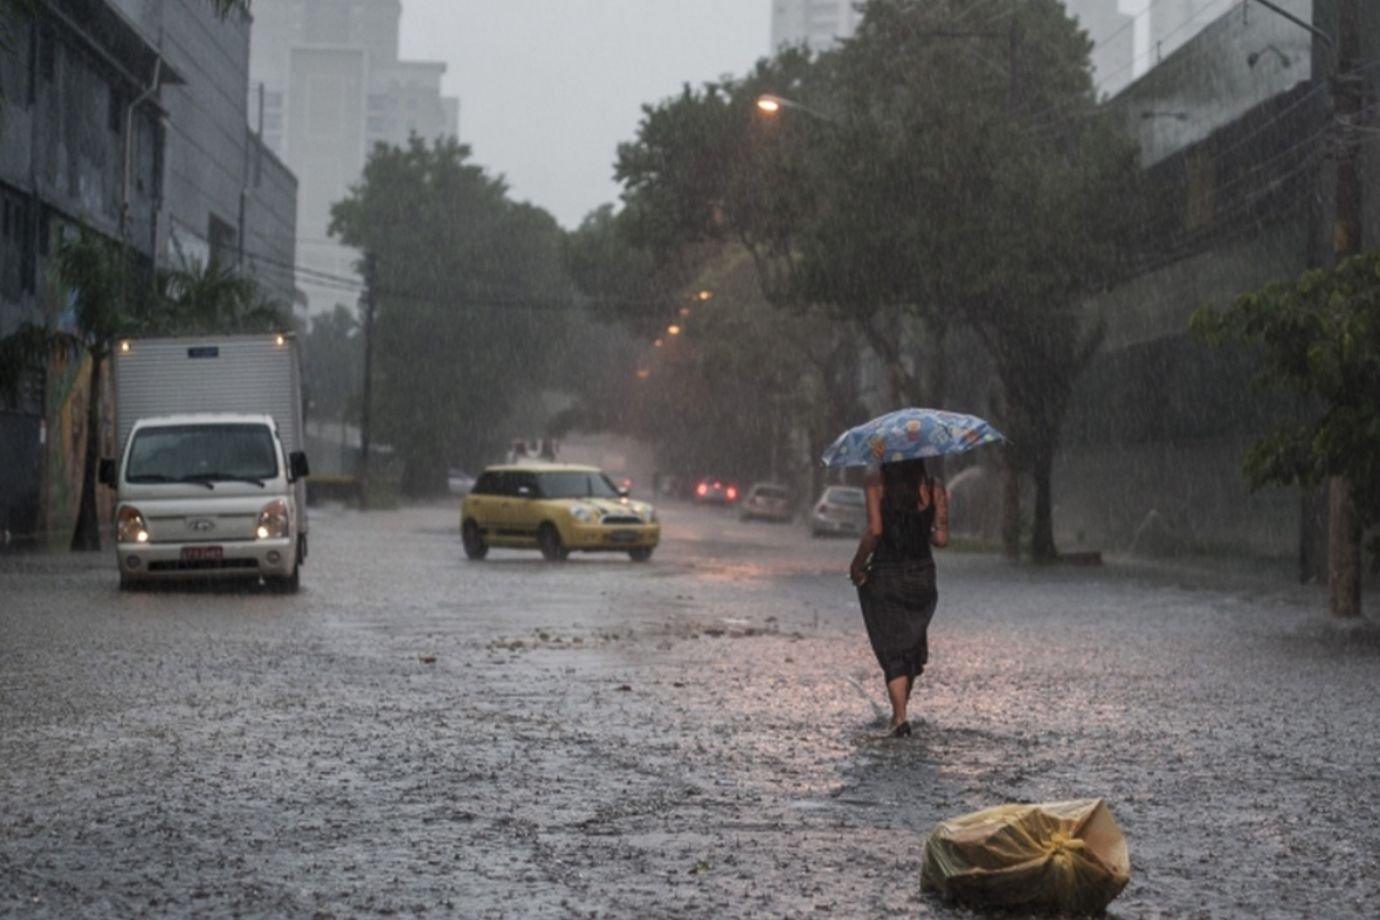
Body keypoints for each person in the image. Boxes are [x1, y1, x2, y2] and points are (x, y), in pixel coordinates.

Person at [849, 457, 949, 737]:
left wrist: (857, 564)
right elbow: (941, 539)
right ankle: (901, 711)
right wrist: (919, 528)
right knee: (911, 644)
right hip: (922, 577)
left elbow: (875, 531)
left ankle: (899, 718)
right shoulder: (934, 487)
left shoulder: (875, 483)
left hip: (887, 574)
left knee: (892, 646)